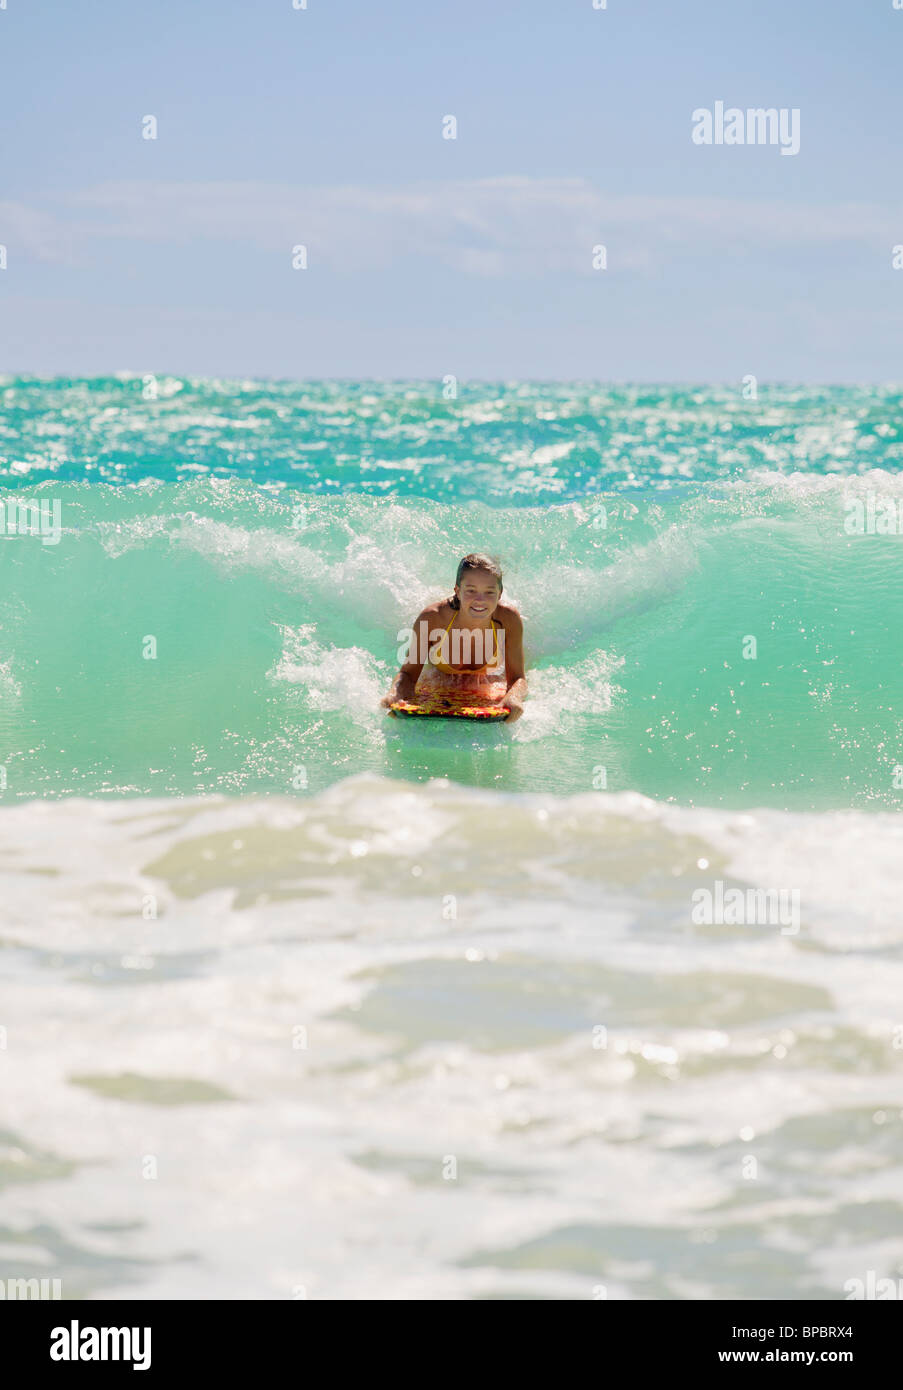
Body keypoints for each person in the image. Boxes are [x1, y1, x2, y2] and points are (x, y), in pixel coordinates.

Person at [380, 553, 527, 723]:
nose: (480, 600)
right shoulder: (432, 618)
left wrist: (514, 697)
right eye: (471, 590)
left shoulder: (509, 619)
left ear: (500, 594)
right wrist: (395, 694)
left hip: (486, 683)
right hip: (439, 678)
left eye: (489, 592)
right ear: (457, 591)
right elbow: (408, 674)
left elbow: (518, 678)